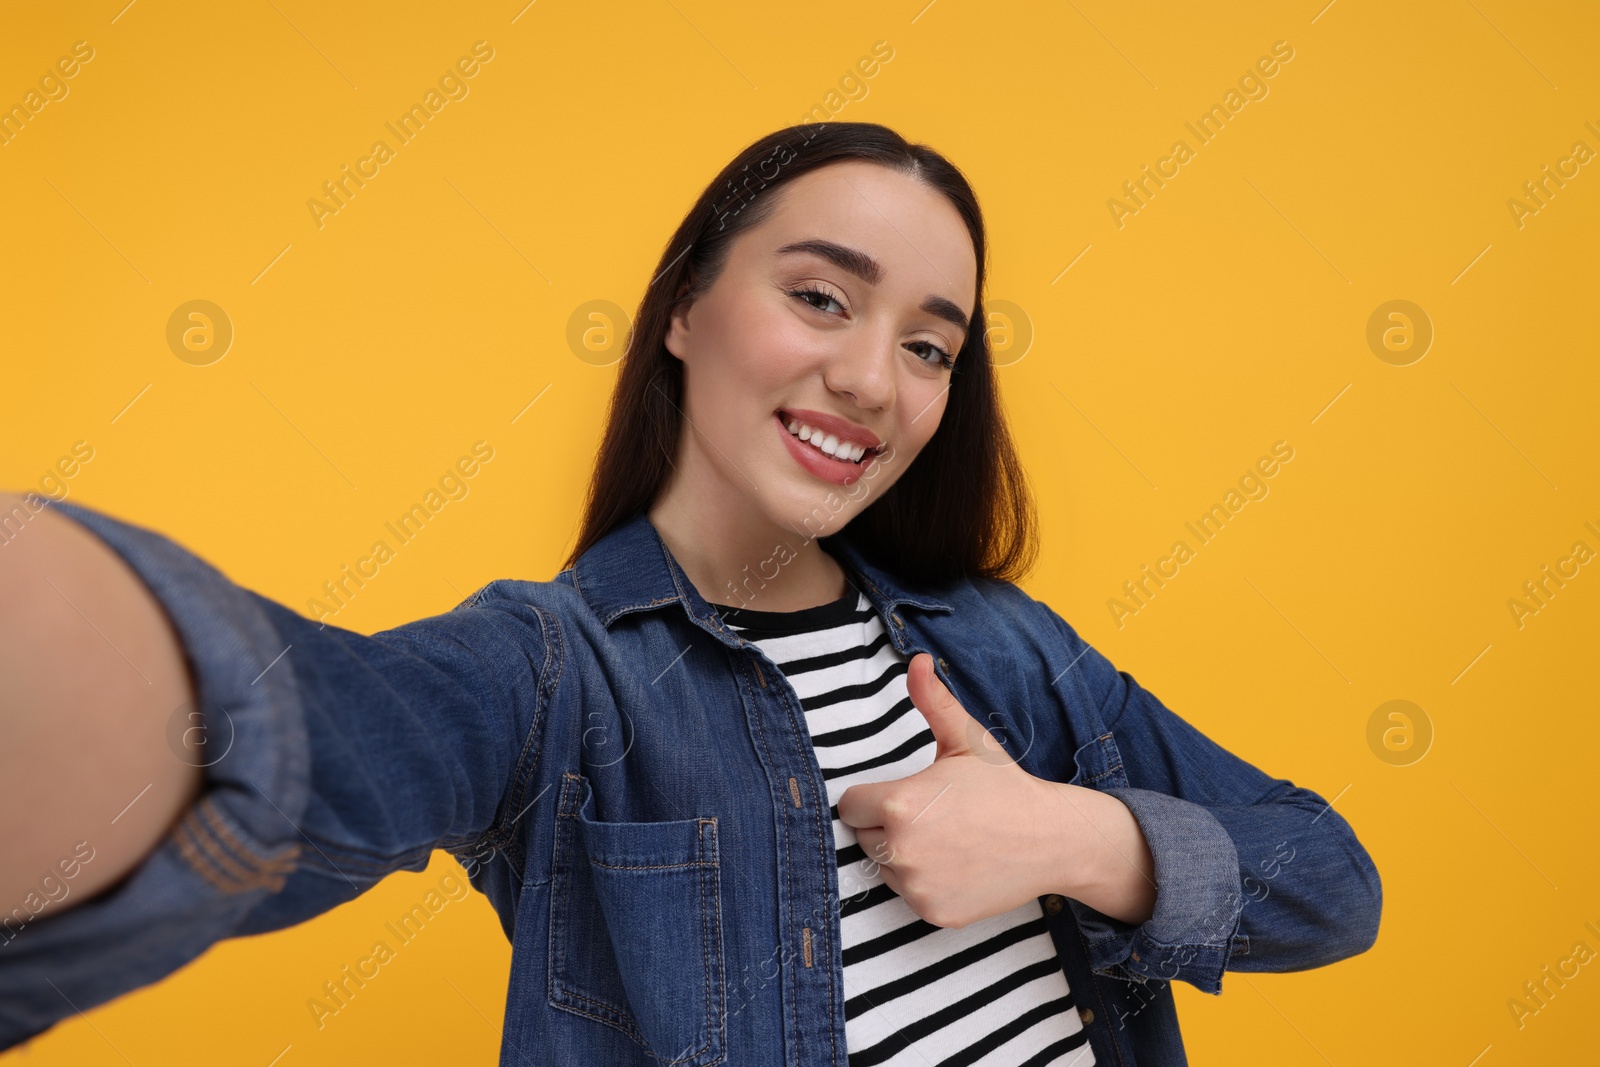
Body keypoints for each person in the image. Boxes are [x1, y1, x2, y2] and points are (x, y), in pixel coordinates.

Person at [0, 121, 1381, 1066]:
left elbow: (1330, 881)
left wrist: (1072, 838)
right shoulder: (552, 675)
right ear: (683, 309)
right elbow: (323, 735)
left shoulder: (1004, 652)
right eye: (823, 299)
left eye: (929, 344)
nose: (872, 382)